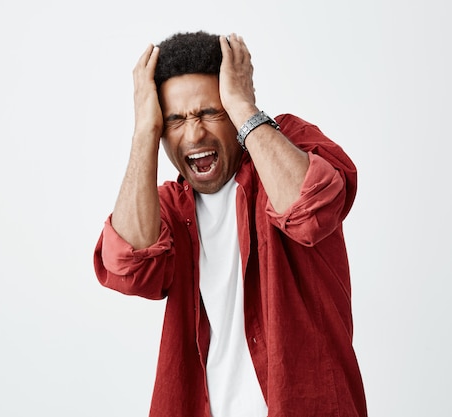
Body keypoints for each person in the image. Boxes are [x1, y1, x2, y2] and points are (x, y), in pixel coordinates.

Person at [93, 30, 367, 417]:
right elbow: (127, 265)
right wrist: (144, 132)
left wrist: (243, 108)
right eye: (174, 120)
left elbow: (310, 212)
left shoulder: (292, 144)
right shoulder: (170, 207)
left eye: (209, 112)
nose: (194, 133)